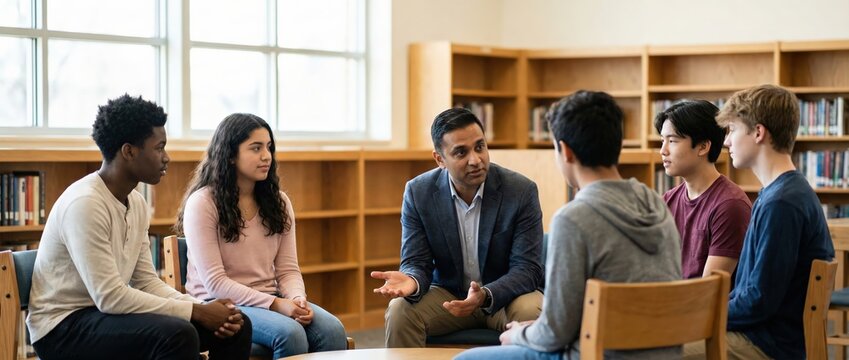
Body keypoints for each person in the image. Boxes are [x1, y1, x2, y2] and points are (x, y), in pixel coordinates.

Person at [456, 90, 683, 359]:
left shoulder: (573, 219)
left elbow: (555, 334)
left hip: (596, 353)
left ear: (565, 151)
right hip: (662, 352)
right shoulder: (655, 202)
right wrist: (540, 327)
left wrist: (517, 333)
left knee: (466, 359)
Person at [27, 94, 251, 360]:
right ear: (129, 151)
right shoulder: (85, 204)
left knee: (236, 325)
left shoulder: (136, 202)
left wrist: (202, 306)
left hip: (107, 317)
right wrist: (197, 312)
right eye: (159, 148)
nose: (166, 158)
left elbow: (146, 282)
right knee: (178, 334)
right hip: (62, 328)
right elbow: (110, 297)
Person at [175, 113, 348, 358]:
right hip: (220, 303)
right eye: (255, 148)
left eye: (268, 147)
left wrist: (297, 299)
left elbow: (288, 269)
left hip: (270, 297)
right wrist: (277, 305)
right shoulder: (203, 203)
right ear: (231, 155)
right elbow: (215, 283)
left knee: (332, 330)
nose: (266, 156)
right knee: (291, 333)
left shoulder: (279, 202)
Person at [371, 107, 544, 348]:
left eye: (480, 147)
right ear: (440, 159)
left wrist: (484, 295)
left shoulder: (521, 191)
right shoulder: (418, 192)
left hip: (504, 297)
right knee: (400, 310)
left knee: (532, 308)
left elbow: (528, 269)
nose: (475, 160)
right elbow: (416, 261)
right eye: (461, 152)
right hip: (448, 296)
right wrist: (412, 281)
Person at [683, 85, 835, 359]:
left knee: (651, 349)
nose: (726, 142)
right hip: (760, 335)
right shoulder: (782, 193)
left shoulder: (781, 203)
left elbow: (758, 301)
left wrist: (700, 318)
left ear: (758, 132)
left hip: (766, 344)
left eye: (732, 130)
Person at [655, 100, 751, 280]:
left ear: (703, 147)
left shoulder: (730, 206)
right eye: (662, 141)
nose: (663, 151)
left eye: (672, 141)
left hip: (702, 306)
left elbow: (708, 290)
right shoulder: (667, 201)